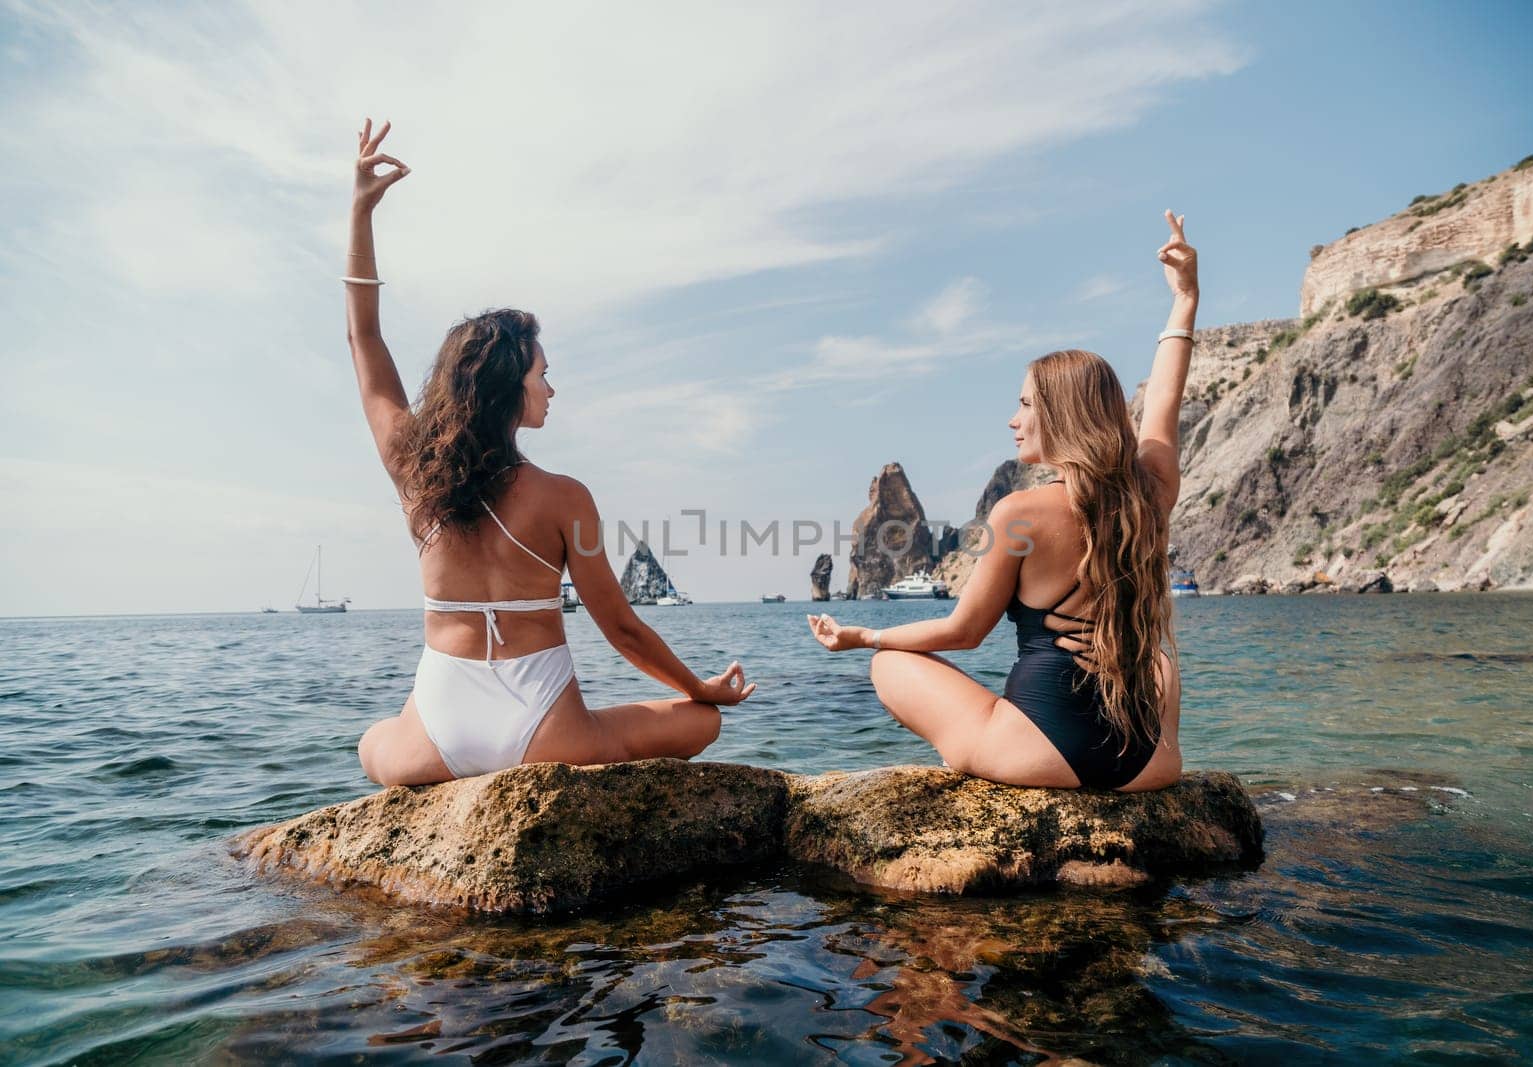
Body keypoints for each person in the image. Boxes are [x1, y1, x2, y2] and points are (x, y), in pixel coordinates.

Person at [345, 120, 755, 787]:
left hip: (436, 736)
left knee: (371, 743)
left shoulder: (411, 468)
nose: (552, 387)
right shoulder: (565, 498)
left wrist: (360, 212)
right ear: (512, 387)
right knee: (702, 721)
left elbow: (363, 339)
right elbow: (621, 629)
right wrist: (701, 686)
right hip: (547, 733)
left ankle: (429, 756)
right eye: (543, 373)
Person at [807, 211, 1198, 791]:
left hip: (1042, 755)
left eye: (1025, 405)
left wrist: (863, 636)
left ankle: (981, 753)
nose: (1013, 420)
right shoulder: (1152, 491)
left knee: (888, 665)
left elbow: (965, 632)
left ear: (1060, 415)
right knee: (1158, 664)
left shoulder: (1019, 512)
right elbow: (1166, 395)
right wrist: (1185, 298)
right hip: (1147, 766)